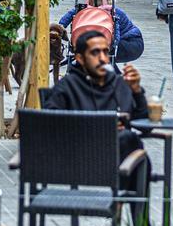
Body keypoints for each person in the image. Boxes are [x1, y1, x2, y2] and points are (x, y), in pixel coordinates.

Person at [45, 31, 149, 192]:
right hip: (76, 161)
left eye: (105, 52)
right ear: (79, 58)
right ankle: (123, 206)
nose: (102, 58)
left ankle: (130, 211)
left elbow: (144, 125)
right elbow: (49, 124)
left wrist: (136, 92)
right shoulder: (66, 87)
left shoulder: (117, 83)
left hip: (116, 159)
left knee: (131, 143)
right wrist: (101, 126)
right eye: (95, 52)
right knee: (130, 141)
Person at [57, 0, 144, 63]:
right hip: (109, 42)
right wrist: (60, 28)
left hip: (131, 43)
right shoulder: (84, 10)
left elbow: (116, 36)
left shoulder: (113, 12)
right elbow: (67, 18)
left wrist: (113, 44)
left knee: (101, 52)